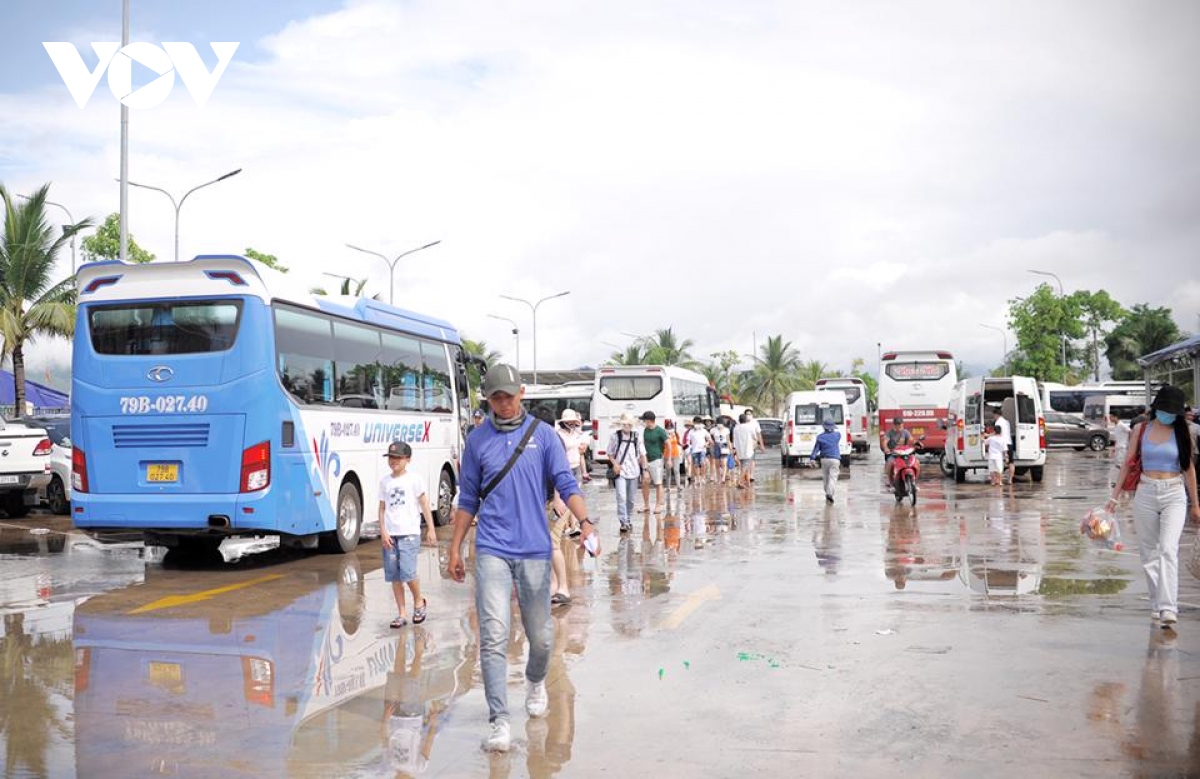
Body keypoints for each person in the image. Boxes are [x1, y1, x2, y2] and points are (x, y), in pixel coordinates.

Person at [447, 364, 596, 753]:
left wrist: (585, 519)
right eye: (497, 397)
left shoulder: (544, 437)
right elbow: (467, 498)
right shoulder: (477, 441)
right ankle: (499, 720)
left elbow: (566, 482)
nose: (504, 403)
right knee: (494, 636)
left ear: (522, 393)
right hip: (492, 548)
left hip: (533, 548)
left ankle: (534, 681)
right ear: (489, 400)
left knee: (542, 637)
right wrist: (455, 547)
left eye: (509, 395)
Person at [1108, 385, 1200, 630]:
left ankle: (1169, 607)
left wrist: (1196, 505)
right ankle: (1156, 604)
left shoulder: (1183, 432)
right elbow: (1128, 464)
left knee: (1168, 549)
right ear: (1156, 408)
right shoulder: (1141, 429)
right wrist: (1114, 498)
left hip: (1174, 492)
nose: (1168, 415)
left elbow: (1188, 469)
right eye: (1164, 410)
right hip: (1146, 492)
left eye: (1172, 412)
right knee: (1149, 552)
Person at [379, 441, 439, 629]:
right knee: (394, 576)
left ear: (408, 459)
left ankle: (419, 601)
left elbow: (424, 504)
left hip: (409, 533)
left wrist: (431, 528)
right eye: (391, 458)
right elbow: (382, 508)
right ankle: (402, 613)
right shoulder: (384, 482)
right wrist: (383, 531)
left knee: (408, 572)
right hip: (391, 535)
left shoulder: (414, 479)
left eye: (398, 458)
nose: (394, 461)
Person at [607, 412, 645, 533]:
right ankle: (623, 521)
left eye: (629, 424)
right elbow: (610, 453)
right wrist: (615, 464)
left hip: (634, 471)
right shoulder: (615, 436)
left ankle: (628, 518)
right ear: (621, 425)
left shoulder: (636, 436)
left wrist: (645, 469)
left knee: (631, 499)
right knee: (621, 497)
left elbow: (642, 453)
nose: (627, 426)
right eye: (625, 424)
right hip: (621, 471)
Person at [639, 411, 669, 514]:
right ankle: (646, 505)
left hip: (657, 459)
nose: (643, 422)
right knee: (645, 481)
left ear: (649, 420)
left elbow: (668, 444)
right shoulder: (645, 430)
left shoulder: (660, 431)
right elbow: (644, 444)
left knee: (658, 483)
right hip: (647, 459)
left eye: (644, 420)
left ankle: (657, 505)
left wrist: (668, 459)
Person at [810, 419, 843, 503]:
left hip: (824, 459)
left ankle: (827, 493)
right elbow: (836, 434)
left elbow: (816, 449)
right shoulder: (837, 435)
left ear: (824, 427)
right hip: (835, 459)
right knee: (833, 477)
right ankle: (829, 494)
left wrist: (812, 458)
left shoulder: (820, 437)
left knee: (826, 477)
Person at [881, 416, 912, 485]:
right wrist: (886, 448)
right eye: (897, 425)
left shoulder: (905, 432)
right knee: (889, 462)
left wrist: (916, 443)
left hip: (904, 454)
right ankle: (888, 479)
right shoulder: (889, 433)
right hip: (894, 454)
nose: (899, 427)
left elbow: (911, 440)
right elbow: (885, 442)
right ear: (894, 425)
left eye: (901, 425)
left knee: (915, 462)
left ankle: (913, 480)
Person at [991, 407, 1016, 485]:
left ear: (996, 414)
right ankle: (1010, 480)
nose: (993, 417)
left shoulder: (997, 422)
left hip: (1001, 444)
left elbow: (997, 433)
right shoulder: (1007, 422)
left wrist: (987, 435)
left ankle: (998, 480)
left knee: (999, 462)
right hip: (1009, 443)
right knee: (1011, 462)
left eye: (993, 415)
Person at [732, 413, 757, 489]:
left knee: (744, 466)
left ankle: (747, 482)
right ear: (746, 420)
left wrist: (734, 450)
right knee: (745, 466)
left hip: (739, 449)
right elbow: (755, 437)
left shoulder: (736, 428)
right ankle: (739, 481)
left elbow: (734, 439)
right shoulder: (750, 427)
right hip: (748, 449)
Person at [1109, 413, 1133, 487]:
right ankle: (1119, 481)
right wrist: (1113, 449)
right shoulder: (1116, 426)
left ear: (1116, 417)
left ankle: (1123, 481)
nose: (1110, 419)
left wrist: (1129, 442)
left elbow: (1130, 431)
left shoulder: (1121, 425)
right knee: (1117, 465)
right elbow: (1116, 439)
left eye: (1111, 417)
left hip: (1122, 448)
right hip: (1118, 448)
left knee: (1120, 465)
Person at [687, 416, 709, 488]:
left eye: (699, 423)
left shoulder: (704, 431)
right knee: (696, 465)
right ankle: (697, 478)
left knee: (702, 463)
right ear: (694, 423)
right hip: (694, 450)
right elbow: (688, 441)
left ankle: (702, 477)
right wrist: (688, 448)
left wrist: (707, 443)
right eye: (696, 423)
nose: (697, 424)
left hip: (702, 449)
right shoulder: (691, 431)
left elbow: (709, 439)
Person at [663, 420, 683, 494]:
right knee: (668, 471)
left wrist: (683, 447)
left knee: (676, 470)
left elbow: (678, 442)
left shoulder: (675, 433)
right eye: (668, 426)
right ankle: (668, 487)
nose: (669, 427)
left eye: (671, 426)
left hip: (675, 454)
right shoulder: (664, 434)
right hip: (667, 454)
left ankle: (678, 486)